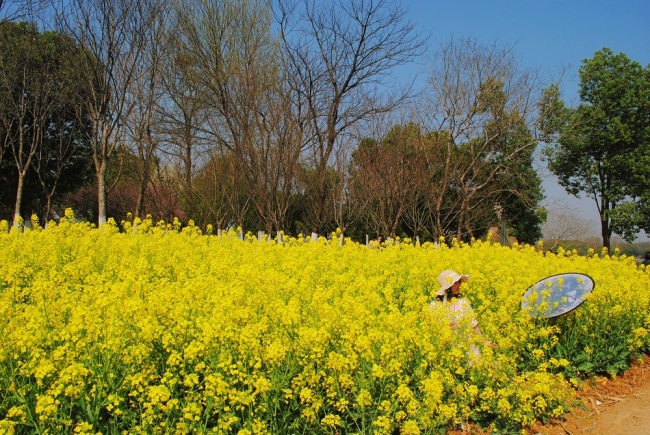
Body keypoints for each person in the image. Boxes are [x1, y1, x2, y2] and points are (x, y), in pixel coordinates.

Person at [430, 270, 492, 352]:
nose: (458, 285)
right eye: (455, 283)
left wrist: (483, 342)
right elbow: (431, 329)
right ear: (447, 287)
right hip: (445, 350)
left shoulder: (463, 303)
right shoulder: (435, 305)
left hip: (467, 347)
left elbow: (473, 324)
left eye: (459, 282)